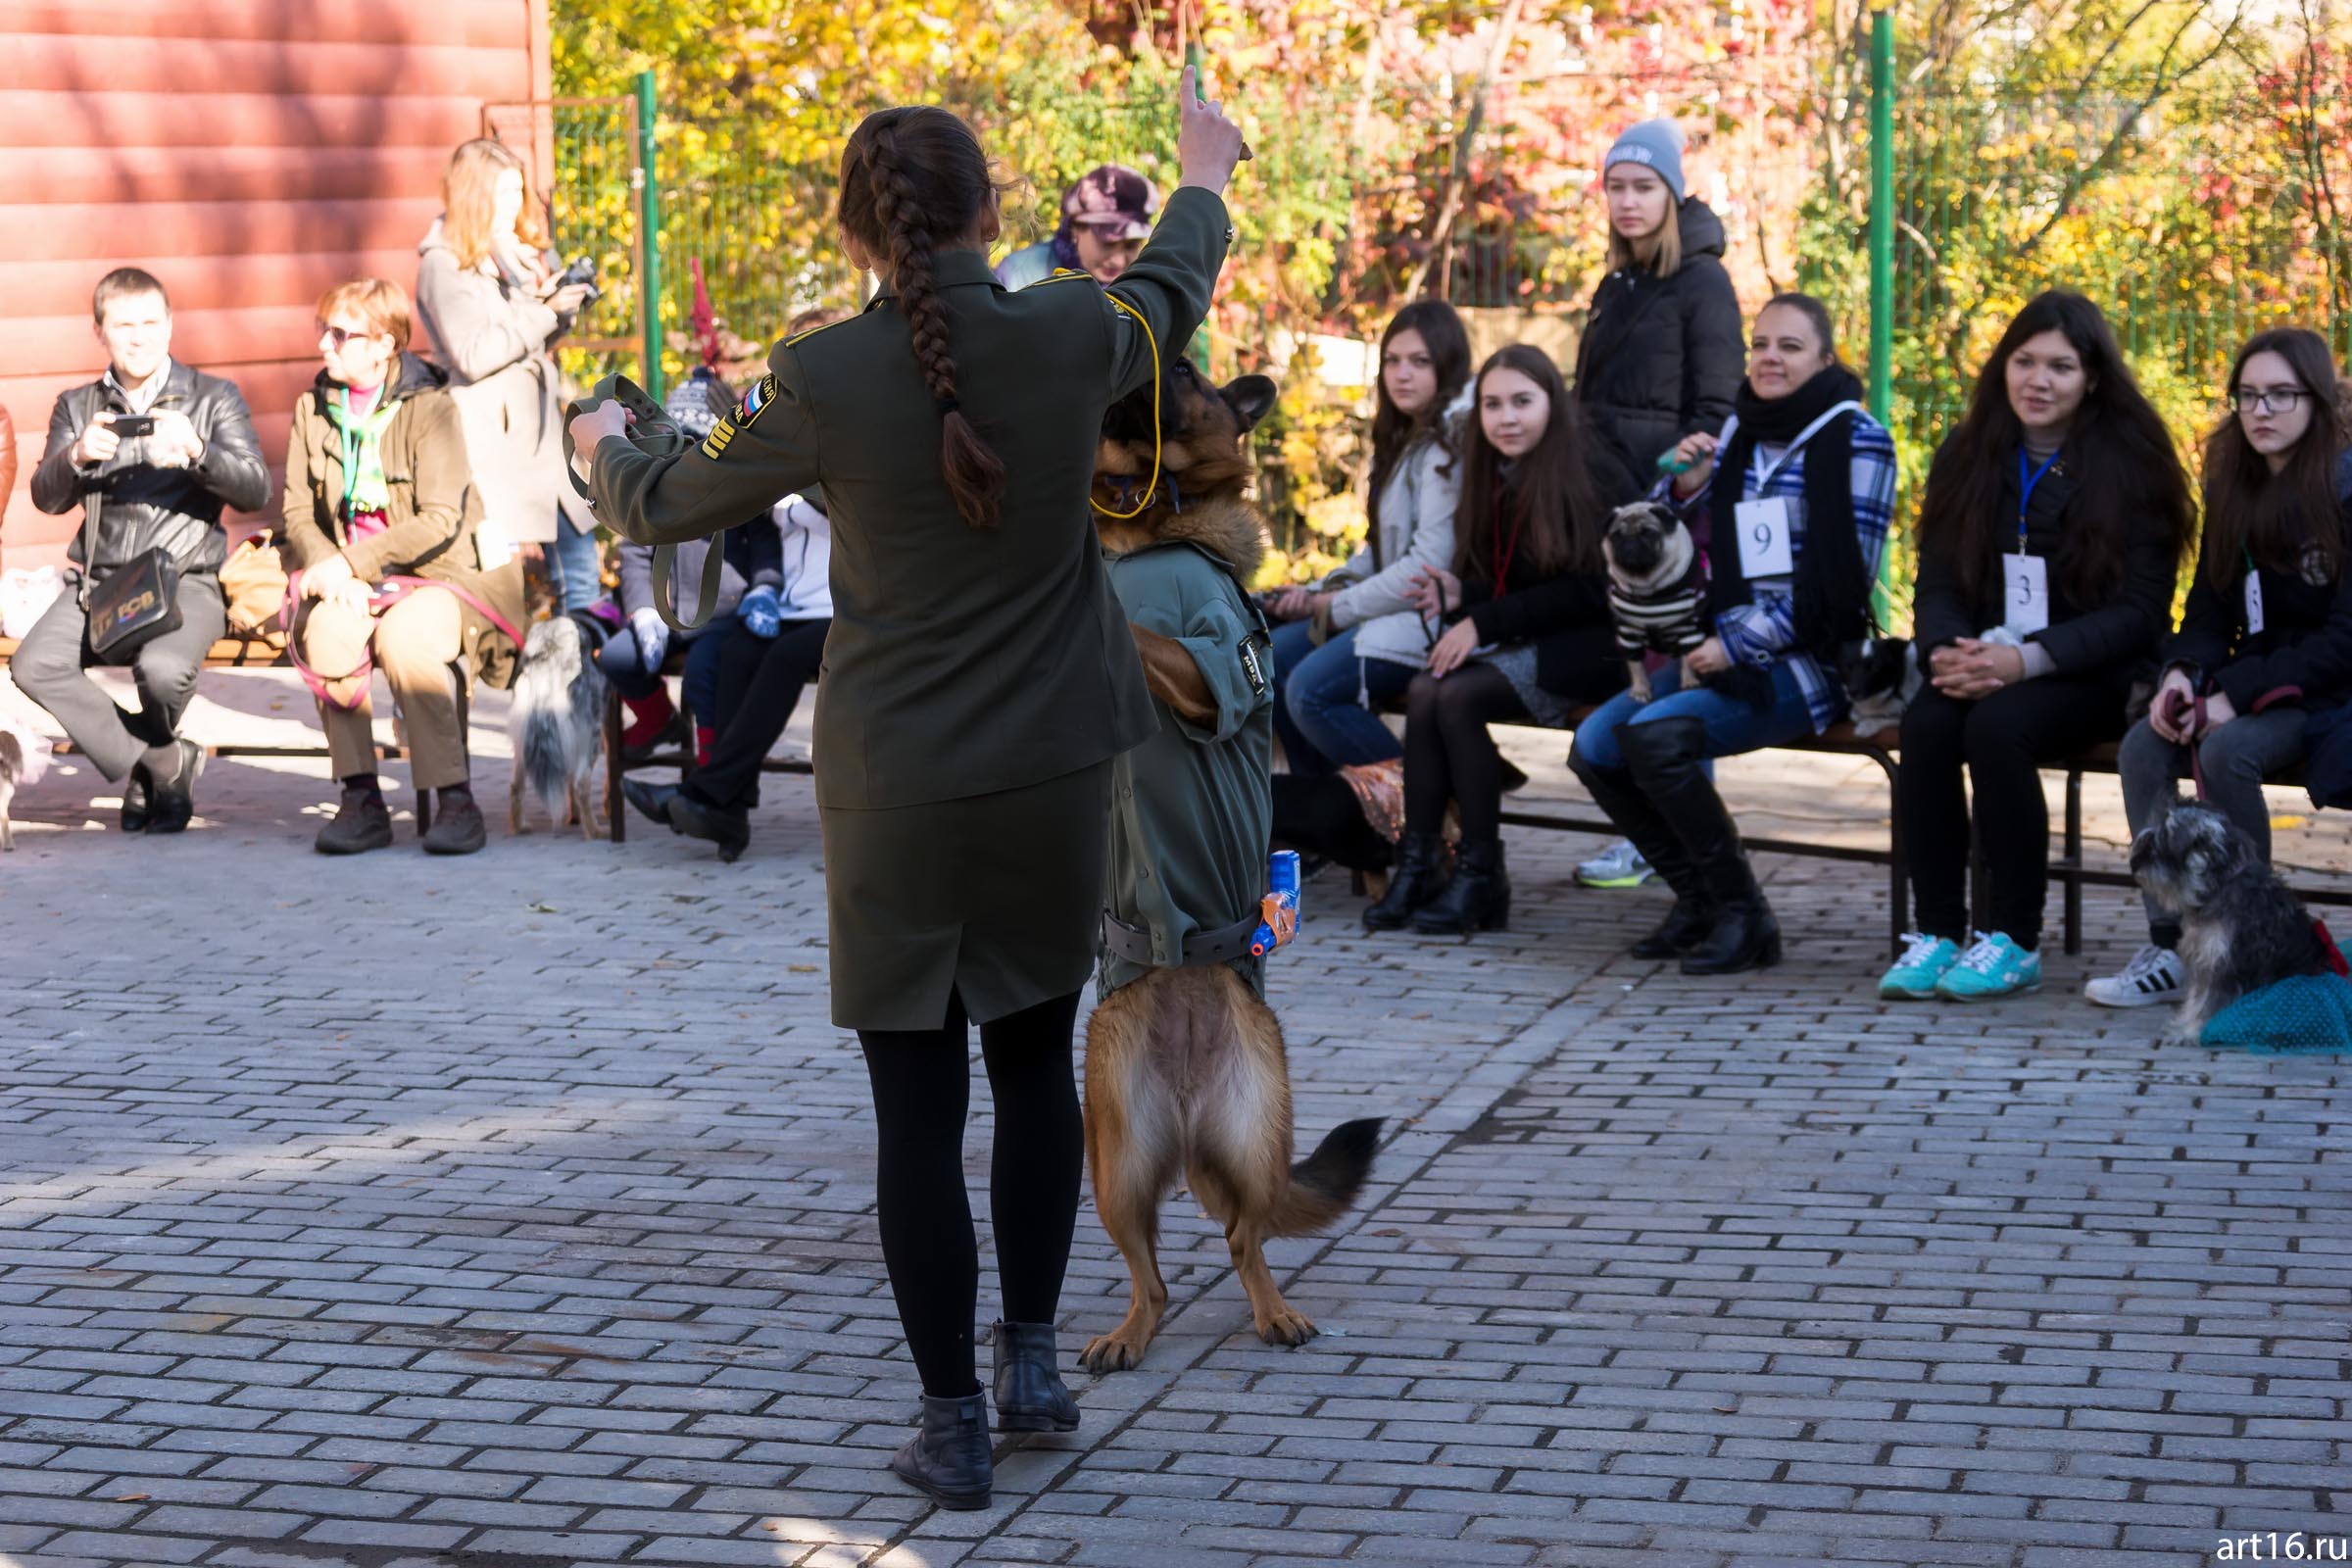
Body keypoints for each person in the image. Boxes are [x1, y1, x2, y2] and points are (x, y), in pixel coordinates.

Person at [570, 72, 1247, 1509]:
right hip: (1054, 774)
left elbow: (665, 490)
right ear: (992, 210)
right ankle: (1036, 1365)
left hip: (897, 792)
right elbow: (1174, 286)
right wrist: (1201, 169)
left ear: (860, 234)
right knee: (1031, 1072)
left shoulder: (813, 372)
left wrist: (606, 445)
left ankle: (950, 1423)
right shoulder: (1076, 329)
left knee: (915, 1114)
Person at [1568, 294, 1897, 975]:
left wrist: (1735, 645)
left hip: (1808, 664)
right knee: (1596, 743)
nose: (1770, 358)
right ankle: (1699, 900)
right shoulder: (1739, 435)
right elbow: (1667, 543)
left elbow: (1843, 589)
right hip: (1713, 652)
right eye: (1760, 344)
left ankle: (1745, 914)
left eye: (1790, 346)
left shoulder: (1857, 438)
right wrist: (1686, 488)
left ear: (1826, 359)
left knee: (1652, 738)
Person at [1885, 293, 2192, 1001]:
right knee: (1929, 721)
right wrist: (1941, 651)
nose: (2038, 380)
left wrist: (2030, 659)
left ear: (2092, 376)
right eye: (2024, 361)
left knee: (1998, 728)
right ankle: (1935, 931)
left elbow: (2141, 613)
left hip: (2094, 670)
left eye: (2060, 365)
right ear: (2003, 367)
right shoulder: (1967, 453)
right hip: (1985, 655)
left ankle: (2013, 939)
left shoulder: (2137, 463)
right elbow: (1936, 579)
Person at [2088, 327, 2352, 1009]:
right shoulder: (2232, 486)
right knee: (2146, 743)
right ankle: (2171, 943)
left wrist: (2234, 694)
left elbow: (2344, 639)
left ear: (2317, 402)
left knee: (2229, 748)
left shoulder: (2345, 487)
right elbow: (2208, 613)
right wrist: (2183, 674)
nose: (2261, 411)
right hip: (2255, 679)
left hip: (2328, 693)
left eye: (2281, 396)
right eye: (2248, 396)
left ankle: (2253, 942)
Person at [1359, 344, 1637, 936]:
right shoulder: (1498, 471)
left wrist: (1482, 623)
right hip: (1543, 636)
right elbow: (1522, 580)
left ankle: (1483, 876)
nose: (1507, 418)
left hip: (1605, 646)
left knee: (1457, 696)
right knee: (1428, 687)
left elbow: (1593, 591)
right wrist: (1465, 596)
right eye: (1493, 404)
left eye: (1522, 402)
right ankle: (1422, 861)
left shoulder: (1590, 468)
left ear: (1553, 404)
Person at [19, 268, 270, 832]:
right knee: (35, 665)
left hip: (188, 580)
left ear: (170, 324)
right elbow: (46, 498)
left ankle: (144, 777)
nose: (140, 337)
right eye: (124, 325)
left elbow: (256, 489)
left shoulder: (212, 398)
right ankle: (161, 760)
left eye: (152, 323)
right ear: (100, 330)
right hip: (102, 585)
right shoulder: (78, 405)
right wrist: (76, 456)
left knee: (161, 670)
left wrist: (198, 450)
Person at [281, 279, 525, 857]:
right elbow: (295, 510)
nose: (325, 345)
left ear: (384, 344)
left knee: (405, 636)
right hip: (353, 579)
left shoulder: (430, 409)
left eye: (341, 334)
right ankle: (362, 800)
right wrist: (330, 568)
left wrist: (350, 562)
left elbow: (441, 519)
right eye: (324, 330)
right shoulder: (312, 409)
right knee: (328, 631)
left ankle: (456, 800)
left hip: (444, 574)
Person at [1568, 119, 1746, 895]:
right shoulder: (1616, 284)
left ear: (1672, 193)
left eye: (1644, 186)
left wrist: (1673, 487)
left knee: (1676, 666)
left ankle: (1686, 840)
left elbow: (1716, 404)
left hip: (1669, 520)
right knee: (1639, 664)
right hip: (1607, 508)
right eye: (1616, 186)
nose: (1628, 201)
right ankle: (1649, 831)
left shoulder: (1702, 282)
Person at [1264, 300, 1471, 778]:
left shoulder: (1448, 447)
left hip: (1435, 617)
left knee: (1309, 691)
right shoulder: (1407, 438)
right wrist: (1324, 589)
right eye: (1393, 361)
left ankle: (1426, 817)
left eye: (1420, 362)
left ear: (1448, 364)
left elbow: (1426, 564)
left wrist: (1334, 608)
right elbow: (1384, 548)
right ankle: (1331, 820)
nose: (1402, 375)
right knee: (1270, 665)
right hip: (1392, 607)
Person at [415, 138, 601, 611]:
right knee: (510, 590)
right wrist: (543, 311)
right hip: (496, 441)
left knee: (580, 575)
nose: (514, 205)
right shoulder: (444, 262)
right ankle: (538, 681)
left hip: (541, 433)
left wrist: (563, 309)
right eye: (503, 193)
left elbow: (528, 340)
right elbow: (475, 354)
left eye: (518, 192)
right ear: (473, 195)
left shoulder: (512, 251)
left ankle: (582, 681)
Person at [621, 487, 832, 860]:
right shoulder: (781, 472)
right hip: (790, 607)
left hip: (841, 607)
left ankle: (709, 795)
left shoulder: (827, 474)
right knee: (736, 653)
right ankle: (726, 811)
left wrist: (801, 484)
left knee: (783, 657)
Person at [995, 164, 1159, 289]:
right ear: (1075, 228)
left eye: (1131, 245)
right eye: (1108, 243)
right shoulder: (1019, 276)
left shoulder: (1141, 288)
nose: (1118, 261)